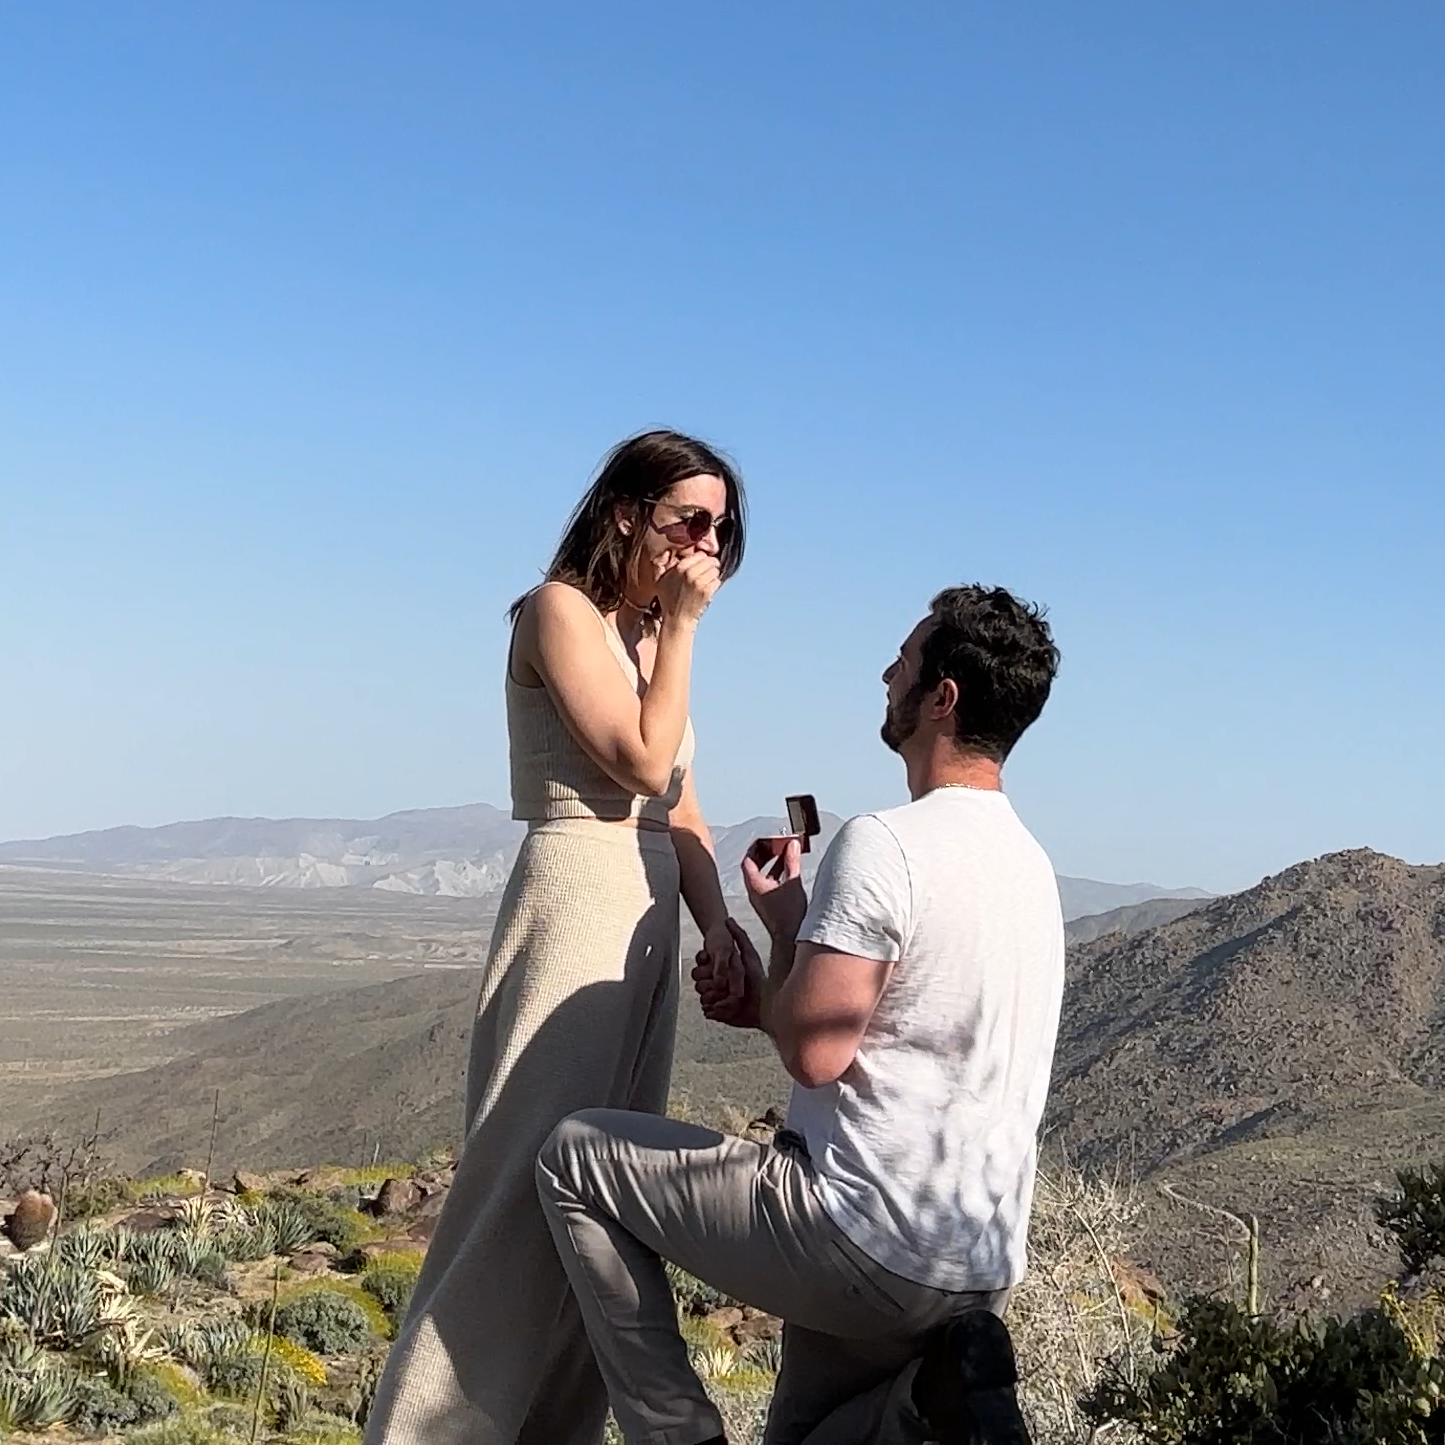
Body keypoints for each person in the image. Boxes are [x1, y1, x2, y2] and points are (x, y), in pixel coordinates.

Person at [535, 584, 1065, 1445]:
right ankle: (930, 1398)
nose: (886, 670)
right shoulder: (1030, 866)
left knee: (575, 1159)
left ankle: (676, 1433)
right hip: (978, 1264)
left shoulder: (884, 841)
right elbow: (871, 1031)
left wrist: (776, 957)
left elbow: (814, 1054)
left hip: (858, 1236)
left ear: (942, 697)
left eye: (906, 656)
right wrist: (774, 965)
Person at [366, 431, 748, 1445]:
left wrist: (718, 927)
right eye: (689, 521)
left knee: (606, 1191)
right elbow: (633, 763)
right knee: (520, 1173)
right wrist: (685, 632)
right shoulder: (559, 612)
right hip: (578, 893)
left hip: (649, 919)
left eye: (721, 528)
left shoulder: (652, 640)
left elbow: (684, 808)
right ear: (626, 510)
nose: (707, 545)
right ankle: (425, 1428)